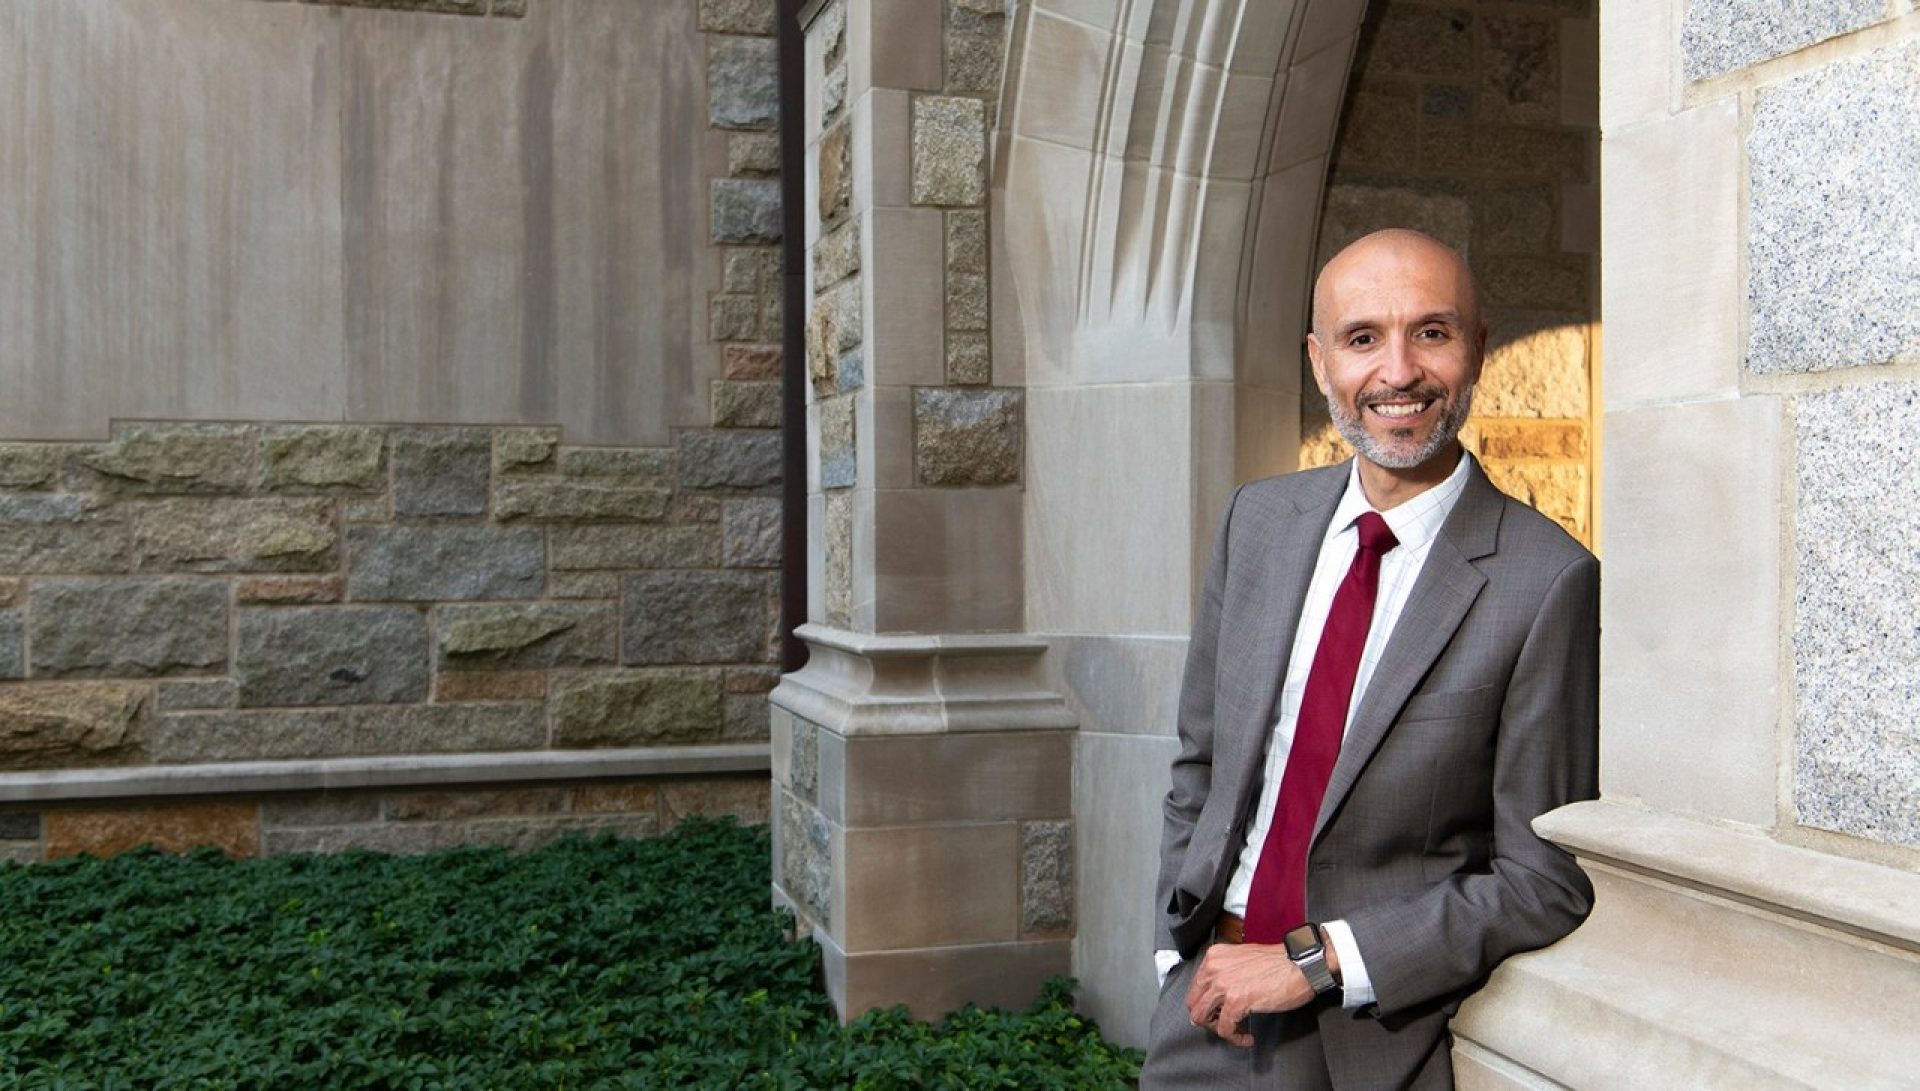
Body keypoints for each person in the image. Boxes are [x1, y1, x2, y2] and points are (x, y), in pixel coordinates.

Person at [1139, 229, 1599, 1089]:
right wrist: (1177, 953)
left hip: (1366, 1043)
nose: (1398, 373)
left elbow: (1545, 879)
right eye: (1362, 338)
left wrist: (1316, 961)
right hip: (1203, 1011)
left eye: (1432, 331)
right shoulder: (1257, 523)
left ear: (1478, 349)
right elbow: (1200, 765)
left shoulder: (1548, 581)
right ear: (1319, 363)